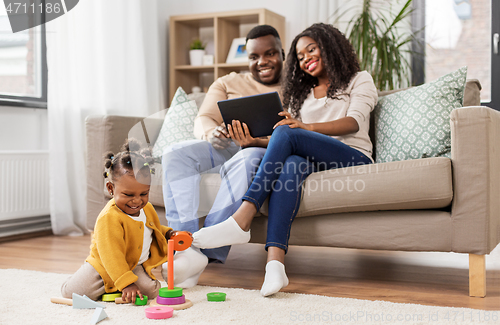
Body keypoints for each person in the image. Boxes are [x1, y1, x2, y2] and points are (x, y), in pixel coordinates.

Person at [192, 23, 378, 296]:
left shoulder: (359, 79)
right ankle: (275, 266)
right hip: (314, 160)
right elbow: (289, 139)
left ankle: (242, 218)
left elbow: (352, 123)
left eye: (311, 49)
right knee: (290, 164)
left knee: (287, 131)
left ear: (330, 46)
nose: (306, 59)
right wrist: (254, 142)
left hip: (352, 158)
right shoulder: (301, 94)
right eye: (300, 56)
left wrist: (302, 127)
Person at [161, 25, 285, 288]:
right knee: (174, 153)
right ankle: (185, 248)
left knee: (248, 156)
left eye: (270, 53)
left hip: (263, 148)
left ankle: (204, 248)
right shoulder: (228, 82)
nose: (262, 62)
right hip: (224, 147)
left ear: (282, 54)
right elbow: (204, 118)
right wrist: (211, 133)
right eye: (254, 57)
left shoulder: (298, 86)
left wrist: (255, 140)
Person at [61, 140, 180, 303]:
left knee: (152, 292)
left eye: (144, 193)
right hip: (103, 266)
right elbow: (112, 256)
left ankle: (120, 283)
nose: (137, 201)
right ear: (111, 189)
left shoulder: (148, 208)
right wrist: (127, 284)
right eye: (129, 195)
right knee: (72, 293)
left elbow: (154, 228)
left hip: (133, 264)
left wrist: (169, 233)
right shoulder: (109, 218)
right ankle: (110, 282)